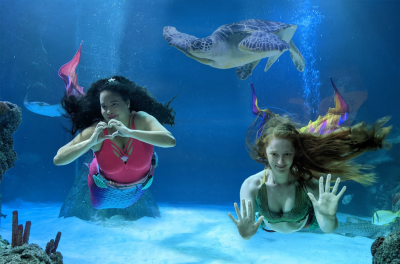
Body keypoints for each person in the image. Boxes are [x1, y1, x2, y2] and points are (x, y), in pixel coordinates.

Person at [228, 115, 391, 239]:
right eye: (274, 154)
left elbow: (327, 228)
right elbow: (248, 232)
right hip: (267, 225)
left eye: (287, 154)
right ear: (265, 153)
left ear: (294, 154)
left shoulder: (308, 182)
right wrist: (245, 234)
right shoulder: (252, 185)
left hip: (306, 223)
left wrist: (328, 216)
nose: (280, 161)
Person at [54, 76, 176, 209]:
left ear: (128, 103)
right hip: (103, 189)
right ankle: (96, 159)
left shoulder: (141, 119)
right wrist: (90, 142)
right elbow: (58, 159)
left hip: (138, 188)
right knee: (99, 206)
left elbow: (170, 141)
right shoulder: (98, 129)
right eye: (104, 106)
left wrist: (130, 132)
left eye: (114, 104)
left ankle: (150, 156)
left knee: (145, 149)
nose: (108, 111)